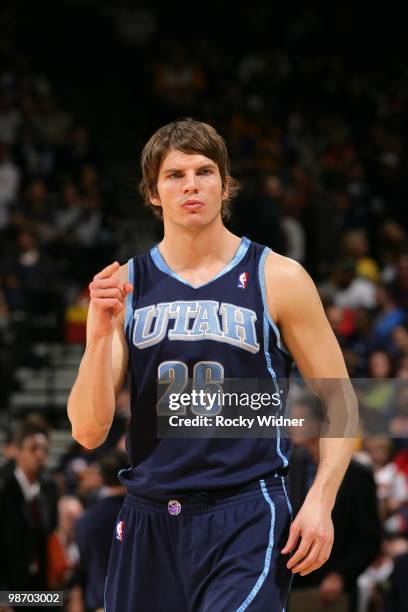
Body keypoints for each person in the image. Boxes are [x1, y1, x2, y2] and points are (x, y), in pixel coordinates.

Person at [68, 118, 357, 611]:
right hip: (148, 517)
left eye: (204, 171)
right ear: (152, 193)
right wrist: (98, 334)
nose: (191, 185)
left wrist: (321, 500)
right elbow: (88, 432)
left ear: (225, 184)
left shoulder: (279, 277)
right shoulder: (126, 287)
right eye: (174, 175)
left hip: (245, 512)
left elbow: (343, 400)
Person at [0, 417, 58, 599]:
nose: (40, 454)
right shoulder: (4, 489)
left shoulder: (49, 489)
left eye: (44, 449)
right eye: (33, 448)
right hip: (9, 589)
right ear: (17, 451)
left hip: (41, 589)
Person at [75, 450, 128, 612]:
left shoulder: (86, 520)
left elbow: (83, 563)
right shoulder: (142, 517)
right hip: (134, 601)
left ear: (102, 477)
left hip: (100, 604)